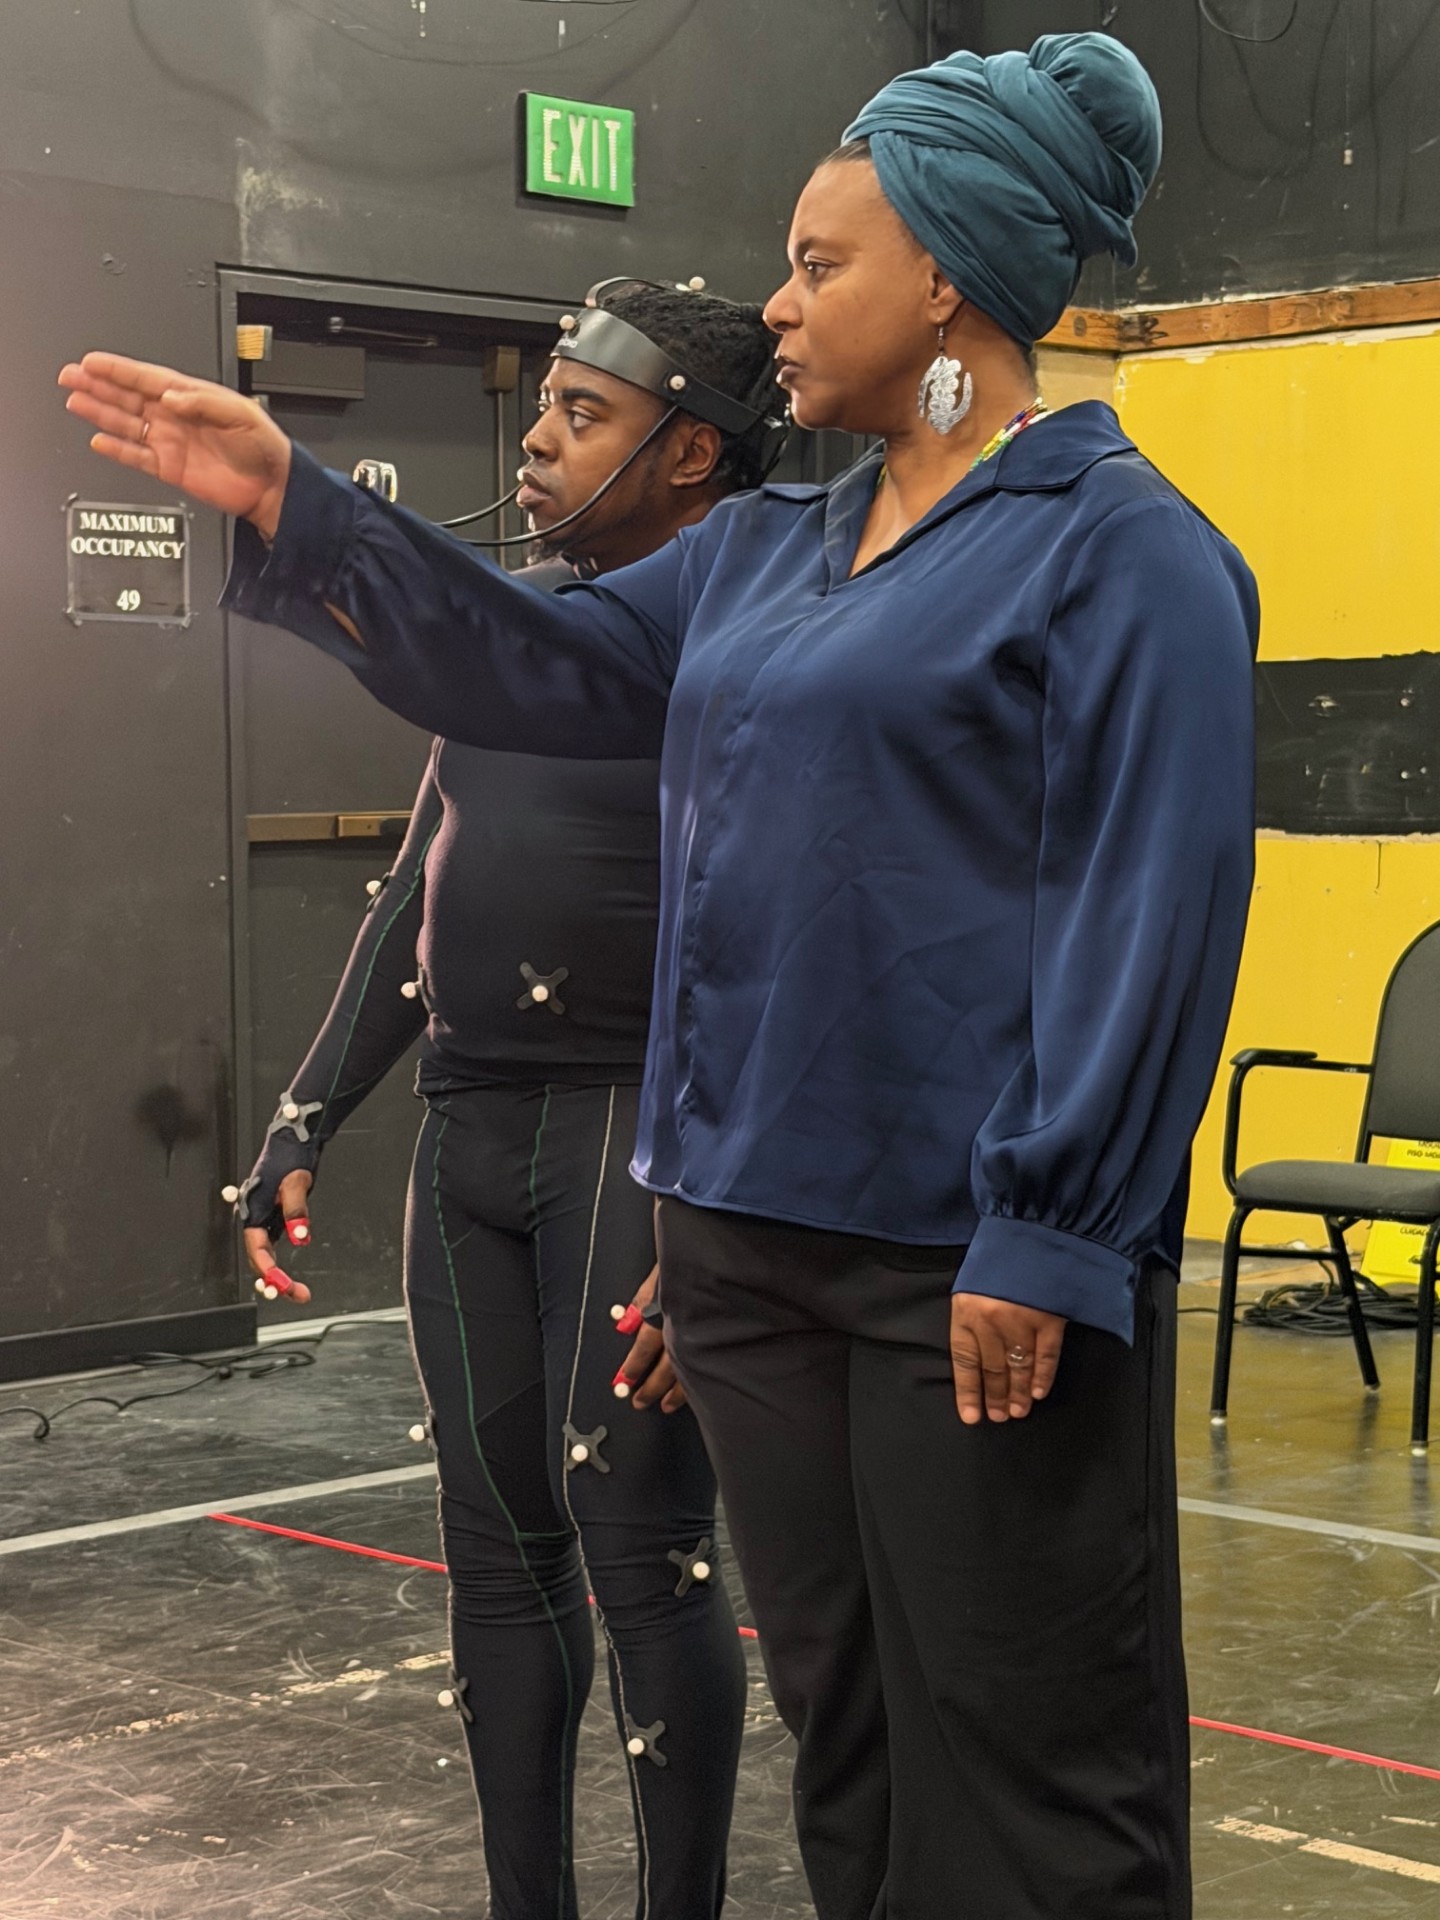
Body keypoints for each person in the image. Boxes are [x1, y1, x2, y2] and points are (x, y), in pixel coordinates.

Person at [61, 33, 1258, 1919]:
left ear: (948, 275)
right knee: (849, 1743)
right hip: (746, 1252)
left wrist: (1056, 1231)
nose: (779, 307)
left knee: (1031, 1759)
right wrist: (303, 504)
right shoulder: (766, 560)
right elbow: (514, 670)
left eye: (819, 264)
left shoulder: (1124, 557)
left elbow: (1152, 910)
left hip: (964, 1267)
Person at [219, 284, 779, 1920]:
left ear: (692, 455)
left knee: (640, 1548)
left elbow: (779, 951)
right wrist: (307, 1117)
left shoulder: (736, 648)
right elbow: (416, 892)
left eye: (582, 414)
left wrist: (715, 1204)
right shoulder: (516, 633)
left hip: (626, 1134)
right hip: (468, 1132)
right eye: (540, 402)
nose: (536, 436)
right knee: (497, 1554)